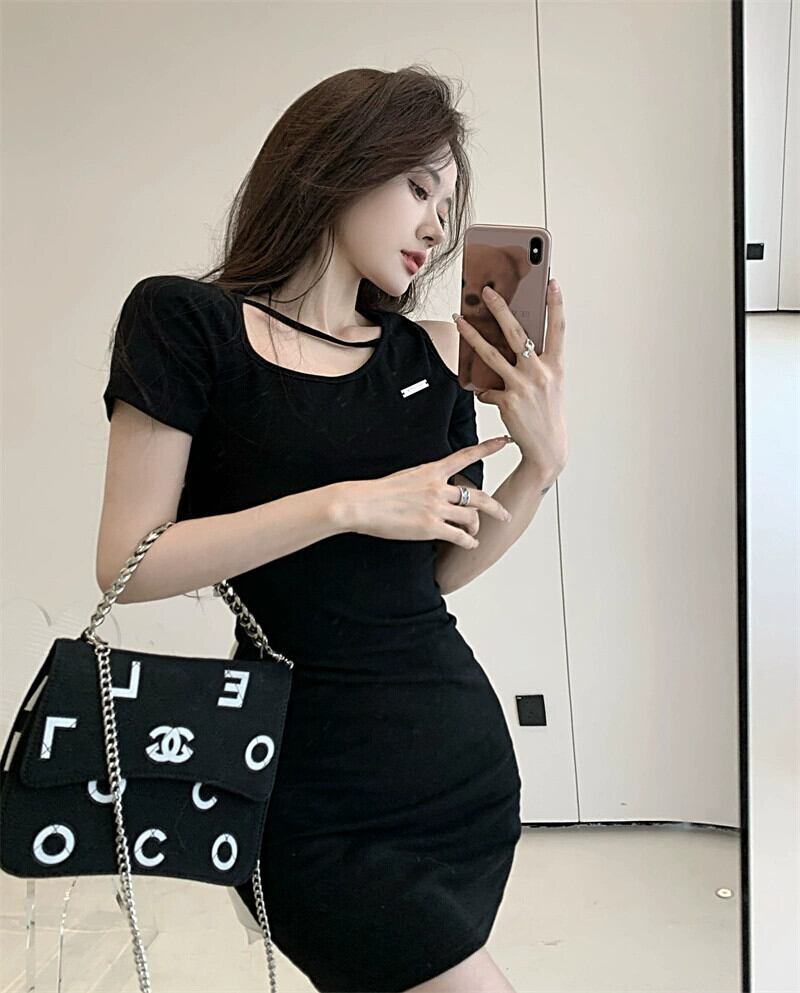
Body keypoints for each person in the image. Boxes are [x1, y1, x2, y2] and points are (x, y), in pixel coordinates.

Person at [97, 64, 567, 993]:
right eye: (419, 188)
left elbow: (436, 574)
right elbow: (128, 563)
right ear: (340, 161)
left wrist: (539, 466)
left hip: (462, 776)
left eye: (448, 204)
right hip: (311, 796)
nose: (437, 228)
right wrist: (346, 503)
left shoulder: (426, 355)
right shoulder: (186, 323)